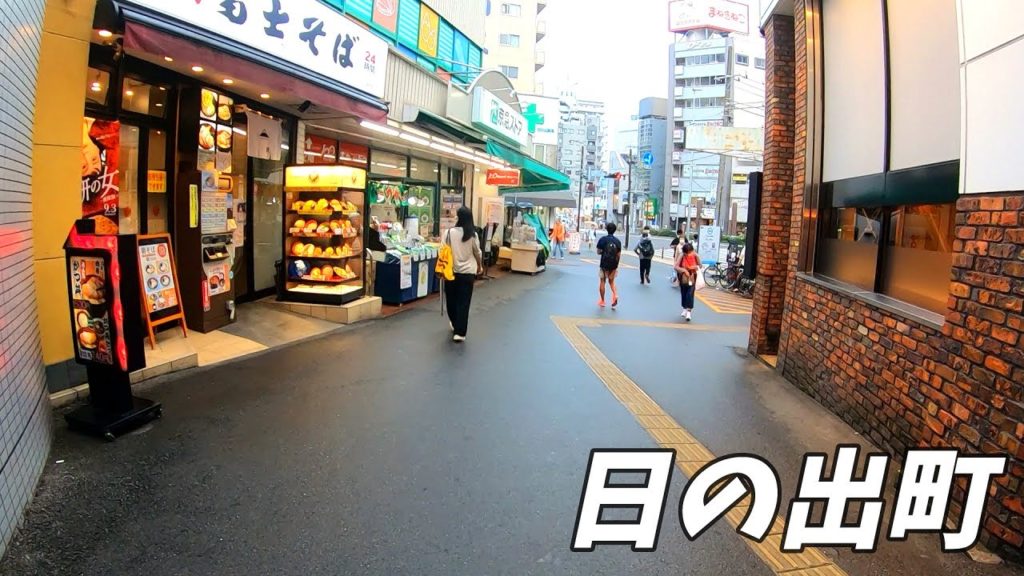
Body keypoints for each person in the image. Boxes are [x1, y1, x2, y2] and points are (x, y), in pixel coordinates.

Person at [445, 207, 484, 342]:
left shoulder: (449, 233)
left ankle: (455, 322)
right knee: (463, 302)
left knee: (451, 299)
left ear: (459, 217)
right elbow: (477, 252)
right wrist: (479, 265)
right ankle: (460, 332)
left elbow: (443, 249)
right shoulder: (472, 234)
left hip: (451, 271)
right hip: (468, 273)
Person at [596, 222, 622, 308]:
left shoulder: (603, 239)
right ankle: (615, 294)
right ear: (615, 230)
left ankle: (602, 301)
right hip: (613, 264)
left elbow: (598, 252)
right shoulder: (618, 241)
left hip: (604, 263)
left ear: (607, 229)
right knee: (612, 281)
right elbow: (618, 255)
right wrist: (616, 266)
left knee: (602, 281)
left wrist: (603, 252)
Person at [675, 242, 701, 321]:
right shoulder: (682, 256)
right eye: (687, 253)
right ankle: (684, 308)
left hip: (692, 278)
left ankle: (689, 311)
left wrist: (694, 267)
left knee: (690, 294)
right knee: (683, 293)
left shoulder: (696, 255)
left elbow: (700, 265)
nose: (688, 254)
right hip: (683, 279)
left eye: (690, 252)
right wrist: (684, 270)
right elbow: (676, 266)